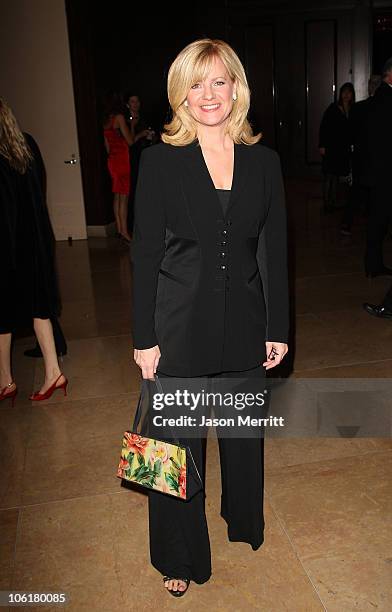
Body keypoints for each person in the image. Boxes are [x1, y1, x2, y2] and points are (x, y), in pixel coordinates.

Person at [130, 39, 289, 596]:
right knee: (173, 452)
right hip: (176, 329)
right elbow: (145, 252)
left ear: (236, 89)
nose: (208, 94)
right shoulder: (159, 160)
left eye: (218, 81)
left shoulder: (265, 162)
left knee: (244, 438)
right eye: (195, 83)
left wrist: (278, 328)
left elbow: (274, 250)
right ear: (180, 94)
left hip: (246, 325)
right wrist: (142, 336)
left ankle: (242, 520)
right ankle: (177, 555)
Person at [0, 98, 67, 404]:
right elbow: (40, 189)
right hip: (37, 239)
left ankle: (5, 380)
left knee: (3, 314)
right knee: (39, 307)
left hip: (10, 244)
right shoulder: (26, 146)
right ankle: (53, 372)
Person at [340, 75, 381, 236]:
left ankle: (346, 223)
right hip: (378, 157)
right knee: (378, 192)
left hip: (360, 156)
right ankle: (375, 225)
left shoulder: (358, 108)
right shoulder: (385, 107)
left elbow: (350, 134)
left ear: (370, 87)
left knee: (355, 191)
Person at [364, 57, 392, 278]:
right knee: (379, 220)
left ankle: (374, 264)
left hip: (379, 170)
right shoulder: (386, 97)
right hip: (384, 171)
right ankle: (374, 265)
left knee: (378, 220)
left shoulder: (381, 97)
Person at [103, 93, 135, 243]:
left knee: (117, 196)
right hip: (122, 160)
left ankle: (119, 229)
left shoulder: (106, 121)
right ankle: (124, 231)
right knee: (124, 197)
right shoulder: (120, 118)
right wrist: (133, 126)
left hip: (112, 162)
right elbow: (130, 141)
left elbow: (107, 148)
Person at [319, 83, 355, 213]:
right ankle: (326, 204)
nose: (346, 94)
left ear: (352, 95)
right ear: (340, 94)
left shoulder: (353, 109)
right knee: (329, 175)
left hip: (342, 149)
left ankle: (333, 202)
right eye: (344, 92)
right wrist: (322, 145)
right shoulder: (333, 108)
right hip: (330, 147)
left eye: (349, 92)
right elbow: (324, 127)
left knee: (336, 176)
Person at [125, 93, 156, 231]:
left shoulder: (142, 118)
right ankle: (133, 226)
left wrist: (150, 136)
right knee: (134, 191)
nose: (136, 104)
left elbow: (147, 138)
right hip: (131, 159)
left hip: (144, 157)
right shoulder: (125, 120)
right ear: (127, 104)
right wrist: (140, 134)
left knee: (146, 190)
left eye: (137, 101)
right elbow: (130, 142)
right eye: (132, 101)